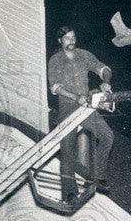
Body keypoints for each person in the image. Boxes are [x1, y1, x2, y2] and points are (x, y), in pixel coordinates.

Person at [48, 25, 115, 199]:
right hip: (67, 107)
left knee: (108, 136)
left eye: (73, 37)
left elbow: (103, 68)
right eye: (67, 38)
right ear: (60, 40)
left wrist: (106, 81)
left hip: (86, 107)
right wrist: (74, 96)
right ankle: (69, 193)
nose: (71, 41)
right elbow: (55, 87)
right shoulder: (55, 60)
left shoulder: (84, 55)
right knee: (68, 151)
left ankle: (96, 176)